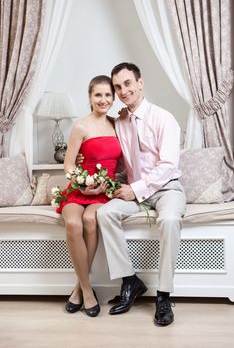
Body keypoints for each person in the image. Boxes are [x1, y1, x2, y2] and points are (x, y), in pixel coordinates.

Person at [96, 62, 186, 326]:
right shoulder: (120, 122)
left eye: (127, 84)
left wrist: (134, 189)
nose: (123, 91)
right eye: (117, 87)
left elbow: (168, 165)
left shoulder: (164, 118)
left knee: (169, 220)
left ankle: (163, 295)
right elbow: (122, 163)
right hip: (138, 195)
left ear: (140, 82)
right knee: (105, 213)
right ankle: (130, 281)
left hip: (168, 188)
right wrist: (104, 179)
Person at [57, 75, 122, 317]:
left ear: (113, 98)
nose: (103, 99)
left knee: (89, 220)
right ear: (89, 97)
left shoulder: (118, 125)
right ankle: (87, 289)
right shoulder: (81, 126)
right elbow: (69, 164)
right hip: (79, 188)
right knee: (73, 222)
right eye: (98, 95)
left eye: (108, 95)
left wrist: (109, 185)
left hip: (104, 192)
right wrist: (81, 184)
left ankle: (78, 288)